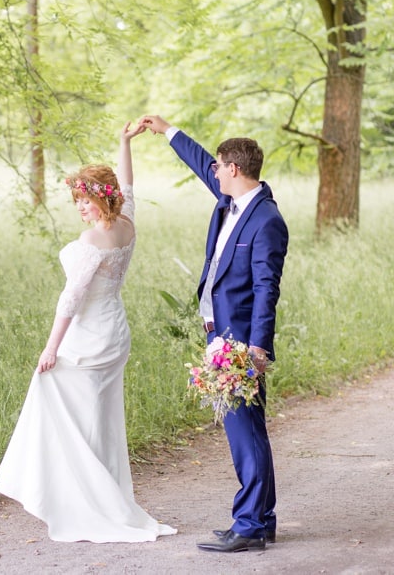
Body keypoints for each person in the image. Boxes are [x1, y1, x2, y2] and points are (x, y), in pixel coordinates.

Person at [0, 123, 176, 543]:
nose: (80, 208)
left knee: (53, 393)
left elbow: (70, 298)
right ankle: (95, 493)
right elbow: (129, 184)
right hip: (114, 330)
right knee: (98, 419)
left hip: (90, 336)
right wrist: (124, 142)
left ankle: (81, 498)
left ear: (100, 199)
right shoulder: (126, 223)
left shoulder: (94, 237)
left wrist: (50, 347)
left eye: (85, 200)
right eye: (76, 201)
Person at [138, 114, 287, 553]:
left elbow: (266, 289)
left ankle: (250, 525)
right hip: (218, 334)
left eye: (220, 167)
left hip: (240, 340)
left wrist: (257, 347)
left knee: (245, 431)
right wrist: (167, 131)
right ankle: (260, 520)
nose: (214, 172)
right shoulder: (232, 200)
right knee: (245, 428)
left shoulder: (266, 221)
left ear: (235, 169)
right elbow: (202, 162)